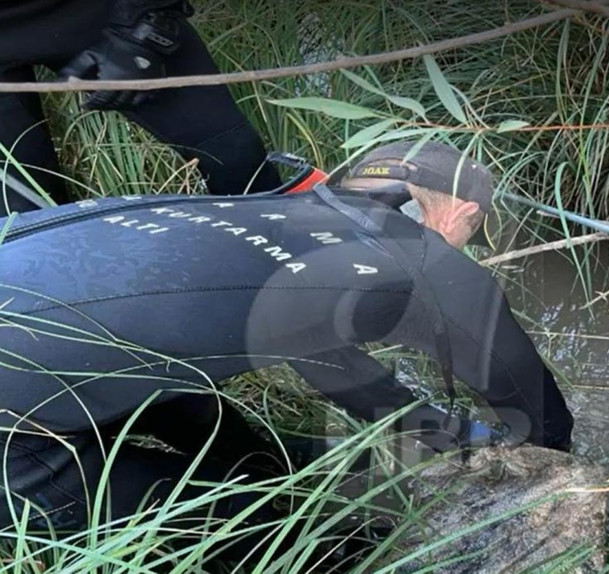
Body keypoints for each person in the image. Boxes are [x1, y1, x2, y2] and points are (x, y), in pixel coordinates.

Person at [0, 140, 573, 558]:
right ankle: (318, 548)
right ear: (464, 212)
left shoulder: (262, 215)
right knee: (247, 528)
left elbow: (322, 357)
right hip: (13, 438)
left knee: (184, 390)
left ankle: (267, 469)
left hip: (36, 324)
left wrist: (439, 432)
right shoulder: (426, 267)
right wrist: (557, 468)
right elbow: (531, 400)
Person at [0, 0, 281, 215]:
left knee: (238, 161)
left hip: (102, 13)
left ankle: (298, 272)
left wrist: (148, 22)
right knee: (21, 215)